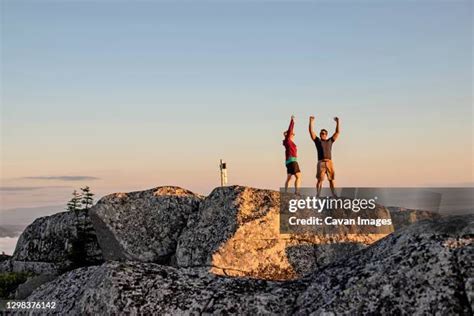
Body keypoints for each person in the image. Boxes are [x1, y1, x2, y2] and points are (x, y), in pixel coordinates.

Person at [308, 116, 340, 197]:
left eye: (324, 133)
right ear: (320, 134)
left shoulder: (330, 141)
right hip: (321, 162)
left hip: (329, 162)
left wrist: (337, 122)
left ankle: (334, 194)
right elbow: (311, 132)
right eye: (322, 133)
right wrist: (311, 121)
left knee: (331, 180)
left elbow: (337, 133)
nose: (323, 134)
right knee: (320, 180)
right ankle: (318, 194)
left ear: (326, 135)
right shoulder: (318, 141)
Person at [283, 115, 301, 194]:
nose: (293, 134)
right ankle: (297, 191)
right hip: (292, 160)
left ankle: (286, 191)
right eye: (292, 134)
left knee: (289, 178)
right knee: (298, 176)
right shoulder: (288, 141)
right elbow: (290, 129)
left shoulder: (288, 142)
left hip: (288, 162)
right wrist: (292, 121)